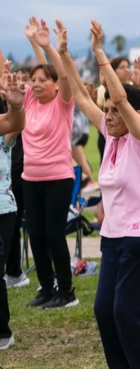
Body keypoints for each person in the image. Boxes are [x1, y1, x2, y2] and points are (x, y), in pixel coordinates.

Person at [61, 19, 140, 369]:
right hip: (114, 236)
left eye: (114, 111)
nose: (107, 116)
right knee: (105, 310)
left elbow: (120, 97)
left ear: (134, 114)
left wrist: (99, 51)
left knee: (127, 311)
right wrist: (62, 54)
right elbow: (81, 97)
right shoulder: (111, 138)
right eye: (105, 110)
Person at [21, 17, 78, 309]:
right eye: (34, 81)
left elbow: (64, 75)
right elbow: (40, 70)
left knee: (54, 235)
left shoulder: (62, 103)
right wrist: (34, 43)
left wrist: (47, 46)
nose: (37, 84)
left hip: (58, 178)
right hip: (30, 179)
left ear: (55, 85)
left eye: (44, 81)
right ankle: (46, 288)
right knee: (36, 235)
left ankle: (66, 292)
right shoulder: (30, 101)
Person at [0, 71, 27, 350]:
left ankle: (2, 332)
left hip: (2, 209)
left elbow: (15, 123)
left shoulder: (2, 133)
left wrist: (17, 105)